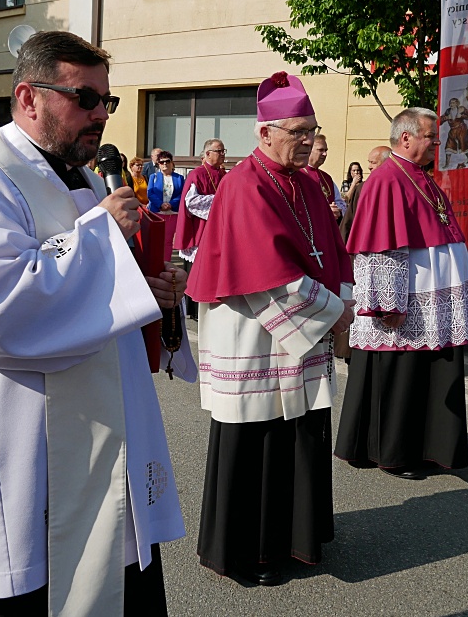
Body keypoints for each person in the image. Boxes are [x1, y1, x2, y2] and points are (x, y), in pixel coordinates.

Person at [0, 30, 187, 617]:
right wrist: (102, 237)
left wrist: (148, 290)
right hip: (13, 436)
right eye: (85, 98)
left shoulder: (86, 181)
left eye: (107, 100)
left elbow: (88, 286)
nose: (101, 114)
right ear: (28, 97)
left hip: (99, 432)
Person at [187, 71, 353, 587]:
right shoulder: (244, 184)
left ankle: (294, 537)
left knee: (298, 432)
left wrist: (344, 300)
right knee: (257, 436)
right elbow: (265, 274)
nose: (307, 141)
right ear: (265, 133)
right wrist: (332, 312)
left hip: (302, 323)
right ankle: (248, 550)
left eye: (312, 131)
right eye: (297, 132)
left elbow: (333, 251)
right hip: (254, 330)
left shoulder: (309, 184)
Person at [334, 107, 468, 481]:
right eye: (431, 136)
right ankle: (393, 453)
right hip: (407, 303)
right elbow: (382, 247)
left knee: (423, 377)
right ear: (406, 137)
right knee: (400, 379)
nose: (437, 143)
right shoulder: (387, 179)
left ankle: (427, 447)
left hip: (430, 303)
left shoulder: (418, 176)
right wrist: (388, 303)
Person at [173, 139, 226, 320]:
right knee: (196, 269)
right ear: (207, 154)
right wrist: (218, 201)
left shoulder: (223, 174)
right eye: (219, 151)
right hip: (199, 229)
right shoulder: (197, 174)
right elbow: (191, 201)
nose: (223, 154)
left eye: (223, 151)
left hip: (217, 229)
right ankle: (193, 309)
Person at [340, 146, 389, 243]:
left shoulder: (399, 186)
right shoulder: (362, 188)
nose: (369, 166)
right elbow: (349, 220)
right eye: (369, 162)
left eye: (373, 162)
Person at [146, 151, 184, 262]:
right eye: (162, 162)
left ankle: (166, 262)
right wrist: (160, 204)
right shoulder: (153, 177)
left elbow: (182, 193)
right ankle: (154, 262)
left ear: (172, 163)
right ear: (158, 164)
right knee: (156, 240)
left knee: (168, 241)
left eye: (167, 161)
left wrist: (171, 204)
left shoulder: (179, 178)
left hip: (172, 214)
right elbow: (150, 193)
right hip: (157, 213)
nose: (165, 164)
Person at [301, 133, 345, 221]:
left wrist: (338, 211)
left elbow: (339, 202)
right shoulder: (298, 174)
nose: (325, 154)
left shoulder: (327, 178)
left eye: (326, 150)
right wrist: (324, 211)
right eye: (321, 150)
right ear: (309, 150)